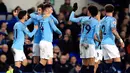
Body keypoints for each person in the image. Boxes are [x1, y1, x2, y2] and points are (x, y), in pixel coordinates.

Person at [31, 4, 62, 72]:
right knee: (43, 61)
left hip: (46, 42)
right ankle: (34, 71)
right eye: (51, 9)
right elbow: (55, 28)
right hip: (46, 42)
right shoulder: (48, 18)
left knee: (50, 60)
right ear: (47, 10)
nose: (52, 10)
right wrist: (60, 33)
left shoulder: (41, 18)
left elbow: (56, 22)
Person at [69, 3, 99, 73]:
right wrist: (99, 42)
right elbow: (96, 35)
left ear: (89, 12)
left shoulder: (83, 18)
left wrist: (73, 10)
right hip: (90, 43)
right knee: (91, 63)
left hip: (82, 43)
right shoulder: (96, 22)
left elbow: (71, 19)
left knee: (85, 64)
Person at [100, 4, 124, 73]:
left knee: (108, 61)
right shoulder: (112, 19)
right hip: (109, 42)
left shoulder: (102, 20)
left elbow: (100, 32)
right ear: (113, 11)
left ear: (105, 11)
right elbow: (113, 30)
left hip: (103, 42)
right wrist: (120, 40)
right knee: (117, 60)